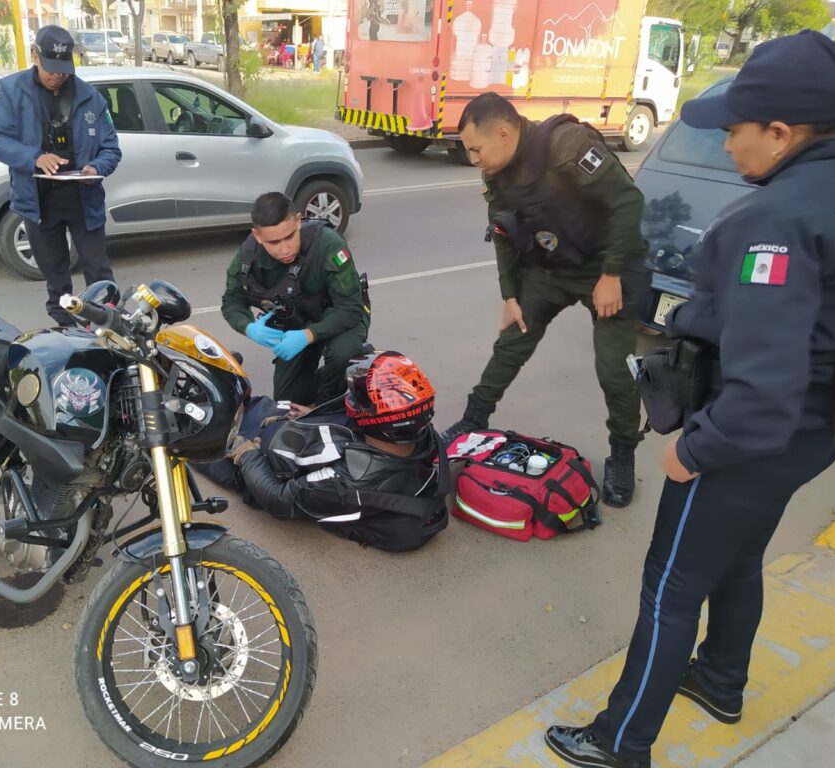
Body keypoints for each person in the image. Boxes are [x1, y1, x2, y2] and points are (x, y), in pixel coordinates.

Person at [545, 31, 835, 768]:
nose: (728, 145)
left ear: (782, 132)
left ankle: (620, 741)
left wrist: (694, 450)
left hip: (751, 436)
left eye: (735, 130)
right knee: (736, 556)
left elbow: (764, 389)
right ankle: (720, 679)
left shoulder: (776, 220)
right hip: (812, 428)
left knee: (671, 587)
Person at [439, 92, 649, 508]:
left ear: (504, 132)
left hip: (606, 267)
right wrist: (510, 295)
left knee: (613, 369)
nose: (474, 159)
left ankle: (623, 454)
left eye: (476, 149)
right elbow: (502, 233)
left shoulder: (566, 147)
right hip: (551, 269)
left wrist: (611, 275)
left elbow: (629, 201)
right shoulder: (498, 172)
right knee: (512, 341)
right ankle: (473, 419)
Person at [223, 350, 449, 552]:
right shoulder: (417, 430)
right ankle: (231, 388)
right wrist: (313, 415)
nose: (352, 400)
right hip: (303, 439)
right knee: (261, 405)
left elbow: (279, 500)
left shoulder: (346, 483)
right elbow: (362, 419)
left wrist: (247, 455)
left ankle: (222, 394)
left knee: (213, 439)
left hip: (262, 464)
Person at [0, 24, 122, 328]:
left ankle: (108, 328)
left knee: (99, 273)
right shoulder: (12, 91)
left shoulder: (91, 97)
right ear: (35, 55)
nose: (57, 75)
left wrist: (96, 168)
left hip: (83, 198)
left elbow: (111, 149)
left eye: (63, 69)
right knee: (56, 279)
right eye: (51, 68)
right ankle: (67, 331)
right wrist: (35, 157)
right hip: (38, 202)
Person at [221, 192, 370, 406]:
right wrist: (248, 327)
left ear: (298, 221)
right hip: (295, 322)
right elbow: (232, 301)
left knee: (342, 355)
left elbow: (350, 308)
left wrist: (308, 335)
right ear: (258, 235)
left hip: (339, 318)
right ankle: (337, 377)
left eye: (290, 237)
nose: (285, 249)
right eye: (274, 242)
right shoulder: (247, 257)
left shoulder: (328, 245)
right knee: (287, 400)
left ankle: (331, 401)